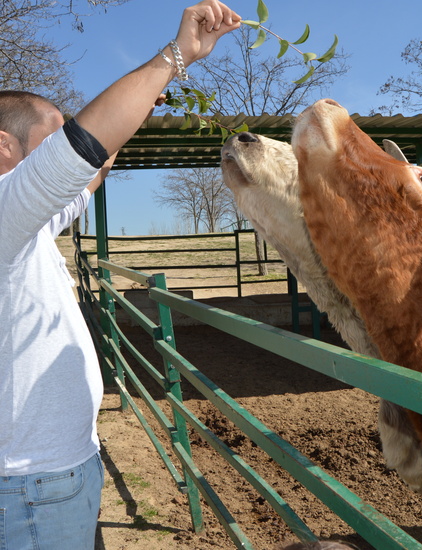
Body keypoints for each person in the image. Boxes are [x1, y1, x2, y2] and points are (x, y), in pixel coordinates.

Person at [0, 2, 241, 548]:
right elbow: (79, 152)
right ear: (5, 148)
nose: (66, 150)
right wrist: (176, 57)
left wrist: (132, 117)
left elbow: (87, 175)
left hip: (51, 474)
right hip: (30, 489)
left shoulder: (23, 225)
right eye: (51, 137)